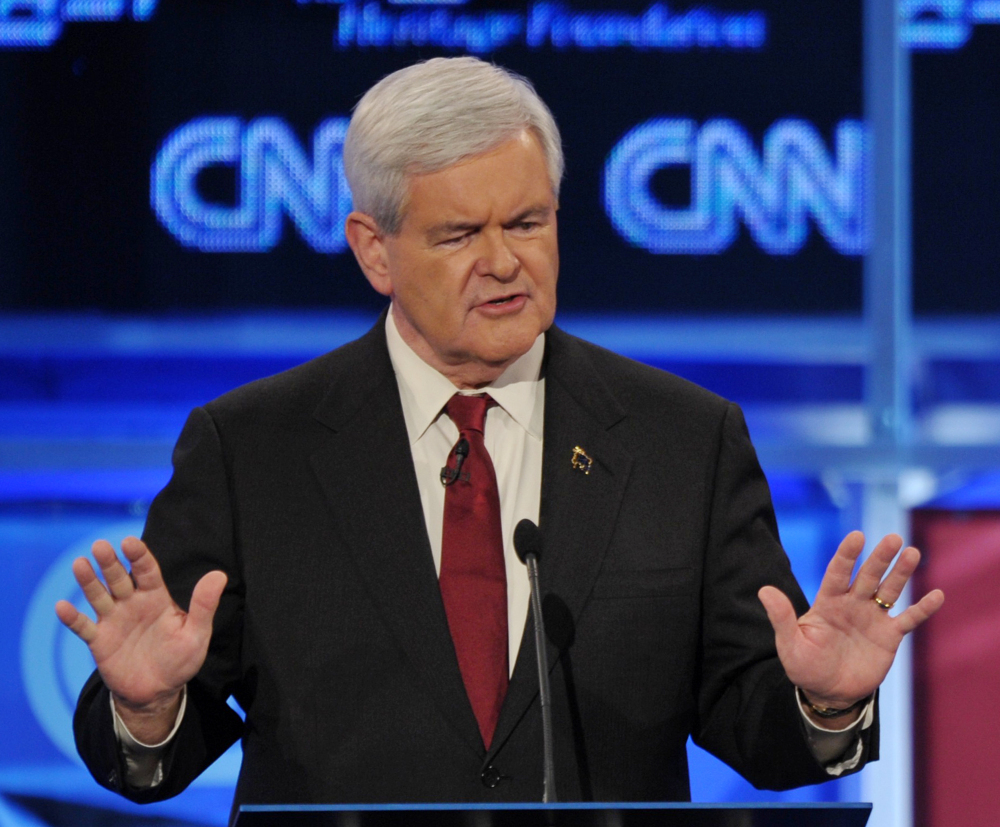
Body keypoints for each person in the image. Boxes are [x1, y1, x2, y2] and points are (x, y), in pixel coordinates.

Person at [56, 57, 944, 814]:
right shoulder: (251, 450)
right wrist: (148, 708)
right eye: (458, 234)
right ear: (374, 250)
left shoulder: (686, 440)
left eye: (527, 222)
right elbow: (158, 754)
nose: (505, 262)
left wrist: (823, 703)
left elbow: (754, 722)